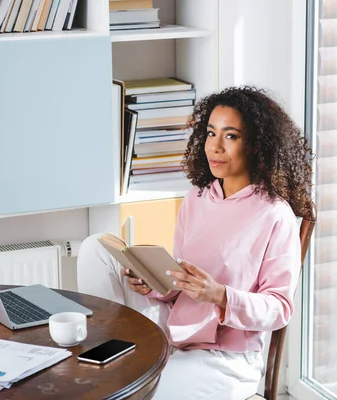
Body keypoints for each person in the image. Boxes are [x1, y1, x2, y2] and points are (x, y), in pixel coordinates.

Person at [77, 86, 313, 399]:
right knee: (96, 248)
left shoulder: (274, 214)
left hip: (225, 357)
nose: (215, 147)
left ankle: (127, 363)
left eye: (230, 136)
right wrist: (154, 283)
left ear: (257, 145)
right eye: (211, 133)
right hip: (175, 327)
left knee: (140, 390)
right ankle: (111, 349)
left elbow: (280, 308)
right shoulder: (197, 199)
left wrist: (221, 296)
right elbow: (181, 284)